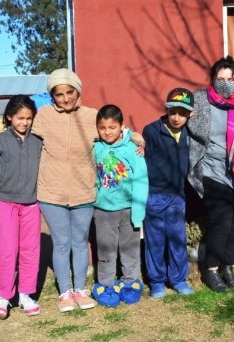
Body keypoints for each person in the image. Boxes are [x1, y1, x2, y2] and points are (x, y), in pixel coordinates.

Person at [31, 68, 98, 312]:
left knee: (80, 243)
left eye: (70, 92)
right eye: (59, 94)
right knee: (61, 244)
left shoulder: (93, 116)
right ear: (52, 96)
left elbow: (116, 131)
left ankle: (80, 289)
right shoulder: (44, 116)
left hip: (84, 191)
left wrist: (135, 137)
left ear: (78, 90)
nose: (66, 98)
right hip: (51, 193)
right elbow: (27, 142)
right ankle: (65, 293)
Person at [187, 56, 234, 292]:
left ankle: (228, 267)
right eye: (220, 78)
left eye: (229, 78)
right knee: (222, 221)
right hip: (211, 170)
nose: (225, 83)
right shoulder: (201, 100)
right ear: (212, 80)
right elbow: (175, 115)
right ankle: (211, 270)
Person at [0, 95, 42, 319]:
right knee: (8, 250)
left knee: (30, 250)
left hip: (32, 203)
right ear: (9, 116)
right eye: (20, 117)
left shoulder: (38, 140)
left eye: (29, 118)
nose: (25, 122)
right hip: (6, 202)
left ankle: (26, 294)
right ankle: (4, 296)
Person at [91, 104, 149, 307]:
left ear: (122, 126)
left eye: (112, 127)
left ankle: (130, 281)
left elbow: (141, 181)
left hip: (129, 210)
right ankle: (106, 284)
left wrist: (138, 213)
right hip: (103, 211)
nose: (107, 132)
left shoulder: (134, 149)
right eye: (102, 127)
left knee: (130, 249)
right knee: (106, 251)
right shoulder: (95, 147)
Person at [142, 88, 194, 298]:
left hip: (177, 195)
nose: (177, 117)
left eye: (182, 113)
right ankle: (156, 282)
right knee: (155, 240)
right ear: (167, 109)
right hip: (154, 194)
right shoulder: (152, 130)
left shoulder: (189, 133)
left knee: (177, 239)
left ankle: (179, 279)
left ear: (190, 114)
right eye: (173, 111)